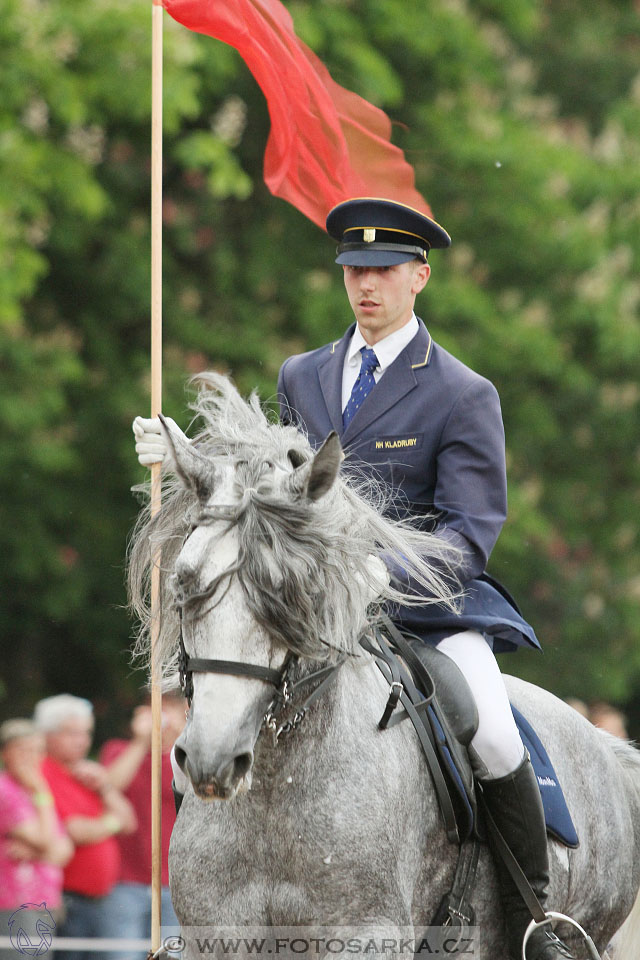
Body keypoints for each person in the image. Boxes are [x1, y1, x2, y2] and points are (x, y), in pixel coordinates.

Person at [131, 198, 572, 960]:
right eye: (354, 271)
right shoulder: (303, 373)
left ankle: (535, 919)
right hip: (303, 610)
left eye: (383, 271)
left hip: (423, 608)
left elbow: (470, 534)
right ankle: (199, 913)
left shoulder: (464, 393)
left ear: (420, 277)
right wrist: (177, 457)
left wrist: (377, 567)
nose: (366, 285)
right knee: (216, 714)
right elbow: (264, 482)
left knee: (496, 735)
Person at [34, 695, 137, 960]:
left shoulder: (86, 774)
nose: (82, 740)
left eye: (86, 733)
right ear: (47, 735)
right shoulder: (42, 773)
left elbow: (129, 821)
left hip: (101, 898)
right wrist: (111, 821)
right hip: (67, 899)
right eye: (72, 733)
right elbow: (75, 831)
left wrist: (104, 787)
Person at [99, 695, 186, 960]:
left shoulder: (184, 757)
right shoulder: (117, 749)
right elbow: (109, 786)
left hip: (176, 883)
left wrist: (181, 738)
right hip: (125, 881)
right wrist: (140, 741)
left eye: (172, 708)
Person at [0, 718, 73, 960]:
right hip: (15, 903)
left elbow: (64, 850)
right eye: (23, 749)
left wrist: (40, 852)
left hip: (43, 901)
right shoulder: (5, 789)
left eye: (37, 750)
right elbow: (46, 840)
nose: (31, 757)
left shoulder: (32, 790)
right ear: (5, 753)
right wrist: (42, 792)